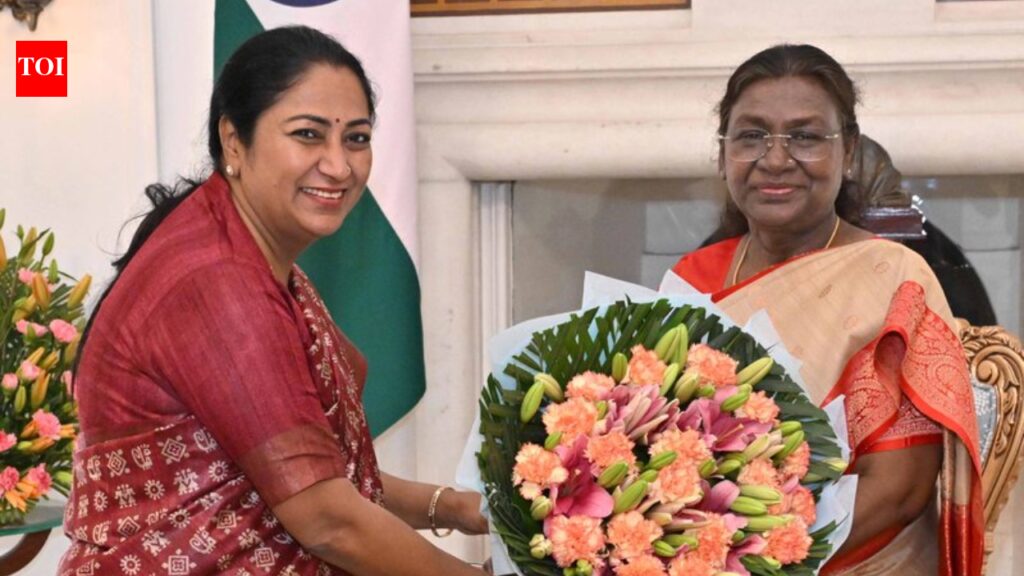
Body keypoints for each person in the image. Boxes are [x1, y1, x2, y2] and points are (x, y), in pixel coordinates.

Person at [59, 26, 489, 576]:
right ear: (234, 141)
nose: (339, 165)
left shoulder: (245, 252)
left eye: (356, 138)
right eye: (308, 134)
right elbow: (328, 521)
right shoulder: (216, 281)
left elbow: (319, 479)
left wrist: (453, 508)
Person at [669, 44, 983, 575]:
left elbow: (900, 491)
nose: (775, 159)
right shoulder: (690, 279)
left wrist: (752, 557)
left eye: (805, 137)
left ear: (848, 150)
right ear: (723, 154)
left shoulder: (895, 279)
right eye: (751, 136)